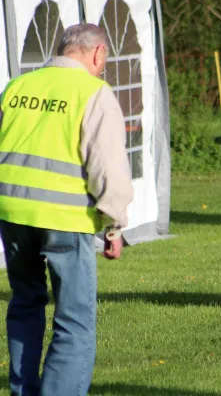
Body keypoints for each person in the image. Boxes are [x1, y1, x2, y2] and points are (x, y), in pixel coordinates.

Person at [0, 24, 133, 395]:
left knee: (25, 305)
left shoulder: (17, 87)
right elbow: (107, 169)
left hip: (11, 214)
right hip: (65, 218)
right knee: (74, 321)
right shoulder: (94, 93)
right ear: (98, 53)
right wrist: (114, 226)